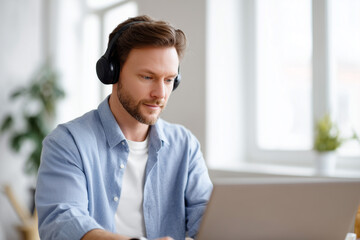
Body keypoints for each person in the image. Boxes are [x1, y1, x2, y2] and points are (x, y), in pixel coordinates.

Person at [35, 15, 213, 240]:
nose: (160, 94)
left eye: (169, 80)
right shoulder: (68, 142)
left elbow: (208, 219)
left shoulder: (185, 145)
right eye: (148, 77)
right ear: (112, 72)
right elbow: (61, 223)